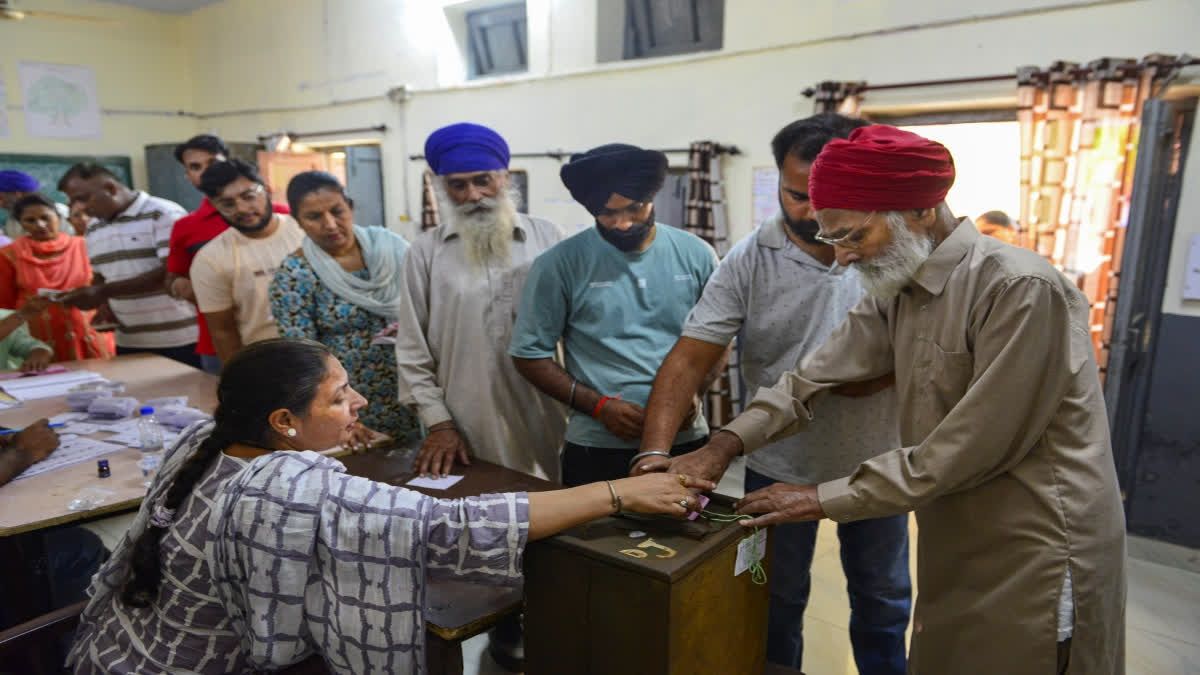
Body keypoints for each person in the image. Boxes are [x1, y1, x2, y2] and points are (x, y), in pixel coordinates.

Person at [641, 125, 1127, 674]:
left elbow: (970, 447)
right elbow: (811, 378)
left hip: (1035, 541)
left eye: (853, 236)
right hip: (955, 526)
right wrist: (725, 444)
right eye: (833, 239)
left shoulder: (1017, 289)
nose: (844, 259)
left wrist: (817, 498)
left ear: (921, 210)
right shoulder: (900, 286)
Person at [65, 338, 713, 674]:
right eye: (341, 395)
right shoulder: (289, 485)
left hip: (109, 651)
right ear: (285, 420)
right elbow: (456, 527)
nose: (361, 404)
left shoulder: (197, 440)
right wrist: (620, 491)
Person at [637, 114, 910, 673]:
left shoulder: (891, 250)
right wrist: (654, 454)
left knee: (882, 604)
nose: (813, 213)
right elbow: (690, 357)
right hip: (779, 459)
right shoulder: (750, 258)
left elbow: (925, 360)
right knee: (774, 602)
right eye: (796, 194)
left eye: (829, 197)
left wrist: (881, 378)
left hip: (879, 463)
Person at [509, 143, 720, 487]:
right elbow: (528, 355)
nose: (622, 224)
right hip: (596, 447)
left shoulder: (697, 255)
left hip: (685, 440)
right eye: (608, 213)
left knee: (687, 537)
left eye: (634, 209)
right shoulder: (559, 265)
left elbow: (718, 338)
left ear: (651, 198)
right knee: (593, 541)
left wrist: (694, 394)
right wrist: (599, 407)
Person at [395, 122, 568, 480]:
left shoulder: (549, 238)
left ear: (504, 178)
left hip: (548, 415)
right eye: (458, 185)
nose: (473, 195)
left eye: (482, 180)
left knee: (558, 505)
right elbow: (412, 351)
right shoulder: (424, 253)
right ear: (443, 189)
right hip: (465, 425)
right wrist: (439, 424)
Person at [270, 171, 421, 447]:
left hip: (413, 389)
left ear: (350, 206)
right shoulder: (295, 275)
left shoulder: (393, 250)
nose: (330, 224)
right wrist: (346, 419)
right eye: (314, 217)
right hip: (349, 406)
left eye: (337, 211)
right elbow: (303, 360)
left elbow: (429, 311)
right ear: (298, 221)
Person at [166, 135, 290, 375]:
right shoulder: (188, 228)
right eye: (195, 167)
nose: (242, 209)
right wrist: (190, 287)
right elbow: (172, 279)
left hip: (298, 343)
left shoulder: (289, 220)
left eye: (211, 162)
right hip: (222, 339)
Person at [56, 164, 200, 368]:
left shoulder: (163, 213)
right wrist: (103, 304)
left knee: (194, 398)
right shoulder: (94, 228)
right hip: (129, 340)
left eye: (82, 198)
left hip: (180, 338)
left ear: (111, 188)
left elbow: (173, 272)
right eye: (71, 201)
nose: (79, 207)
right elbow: (101, 275)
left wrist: (102, 291)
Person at [189, 160, 304, 367]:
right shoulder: (210, 259)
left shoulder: (306, 230)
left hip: (328, 356)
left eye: (249, 196)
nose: (241, 208)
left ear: (267, 190)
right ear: (215, 206)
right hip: (266, 363)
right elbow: (223, 331)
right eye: (227, 204)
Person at [0, 194, 114, 362]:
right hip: (36, 341)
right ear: (21, 224)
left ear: (59, 218)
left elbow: (107, 286)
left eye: (45, 217)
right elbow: (5, 306)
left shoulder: (85, 245)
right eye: (30, 220)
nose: (40, 225)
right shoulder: (9, 255)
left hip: (89, 333)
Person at [0, 170, 68, 238]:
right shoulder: (12, 221)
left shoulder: (60, 212)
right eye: (30, 220)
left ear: (17, 194)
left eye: (0, 198)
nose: (40, 225)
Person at [0, 301, 55, 372]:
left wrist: (38, 355)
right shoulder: (11, 319)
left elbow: (34, 346)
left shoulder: (3, 316)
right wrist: (22, 314)